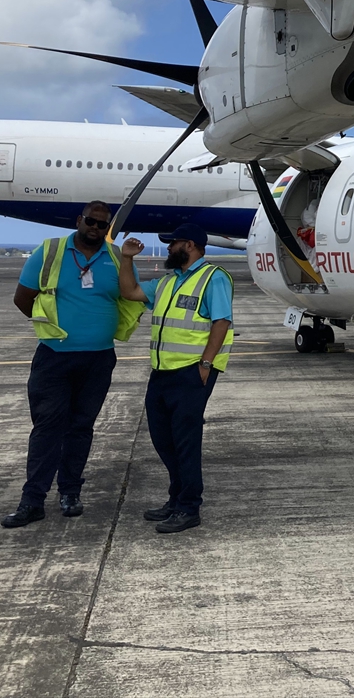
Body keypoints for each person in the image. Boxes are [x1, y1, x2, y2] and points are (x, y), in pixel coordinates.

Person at [1, 201, 145, 528]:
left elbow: (131, 292)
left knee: (80, 427)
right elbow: (23, 297)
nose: (95, 229)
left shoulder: (114, 257)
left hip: (98, 358)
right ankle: (32, 500)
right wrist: (50, 329)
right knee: (47, 428)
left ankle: (70, 492)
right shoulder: (49, 252)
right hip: (54, 357)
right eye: (91, 222)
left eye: (102, 225)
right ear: (79, 220)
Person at [115, 223, 235, 534]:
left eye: (173, 243)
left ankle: (189, 507)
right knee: (162, 437)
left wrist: (206, 364)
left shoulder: (213, 278)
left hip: (192, 372)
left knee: (185, 441)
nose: (168, 248)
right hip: (162, 371)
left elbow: (221, 322)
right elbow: (129, 291)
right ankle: (177, 497)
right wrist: (126, 259)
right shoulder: (168, 282)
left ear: (191, 245)